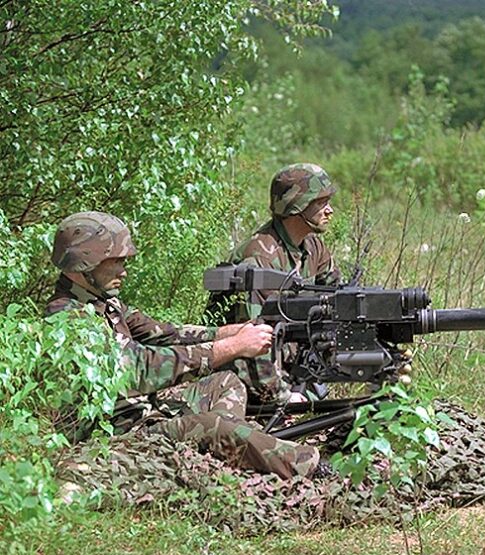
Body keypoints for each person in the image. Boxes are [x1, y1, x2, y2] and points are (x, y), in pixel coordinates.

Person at [45, 211, 326, 480]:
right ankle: (312, 466)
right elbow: (141, 368)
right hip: (118, 434)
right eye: (116, 262)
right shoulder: (68, 318)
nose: (124, 270)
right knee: (216, 427)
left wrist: (232, 332)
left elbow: (167, 334)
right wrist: (231, 348)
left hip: (145, 414)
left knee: (226, 382)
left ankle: (223, 452)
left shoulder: (102, 301)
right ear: (86, 263)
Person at [205, 163, 340, 402]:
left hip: (289, 366)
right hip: (242, 380)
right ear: (296, 206)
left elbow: (337, 304)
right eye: (321, 203)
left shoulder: (313, 246)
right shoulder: (259, 259)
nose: (330, 211)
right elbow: (250, 339)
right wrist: (282, 396)